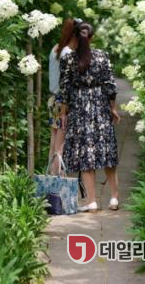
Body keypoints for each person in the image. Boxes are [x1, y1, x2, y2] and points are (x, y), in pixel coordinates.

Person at [59, 20, 121, 212]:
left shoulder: (68, 59)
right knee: (107, 151)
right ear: (91, 37)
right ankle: (114, 198)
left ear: (75, 37)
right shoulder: (102, 56)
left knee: (86, 153)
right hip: (100, 105)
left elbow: (64, 89)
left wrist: (63, 113)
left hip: (79, 108)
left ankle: (92, 201)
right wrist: (113, 108)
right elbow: (110, 86)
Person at [47, 18, 76, 175]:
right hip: (62, 101)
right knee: (60, 145)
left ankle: (52, 177)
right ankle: (58, 179)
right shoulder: (68, 53)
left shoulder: (55, 48)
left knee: (54, 142)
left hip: (52, 99)